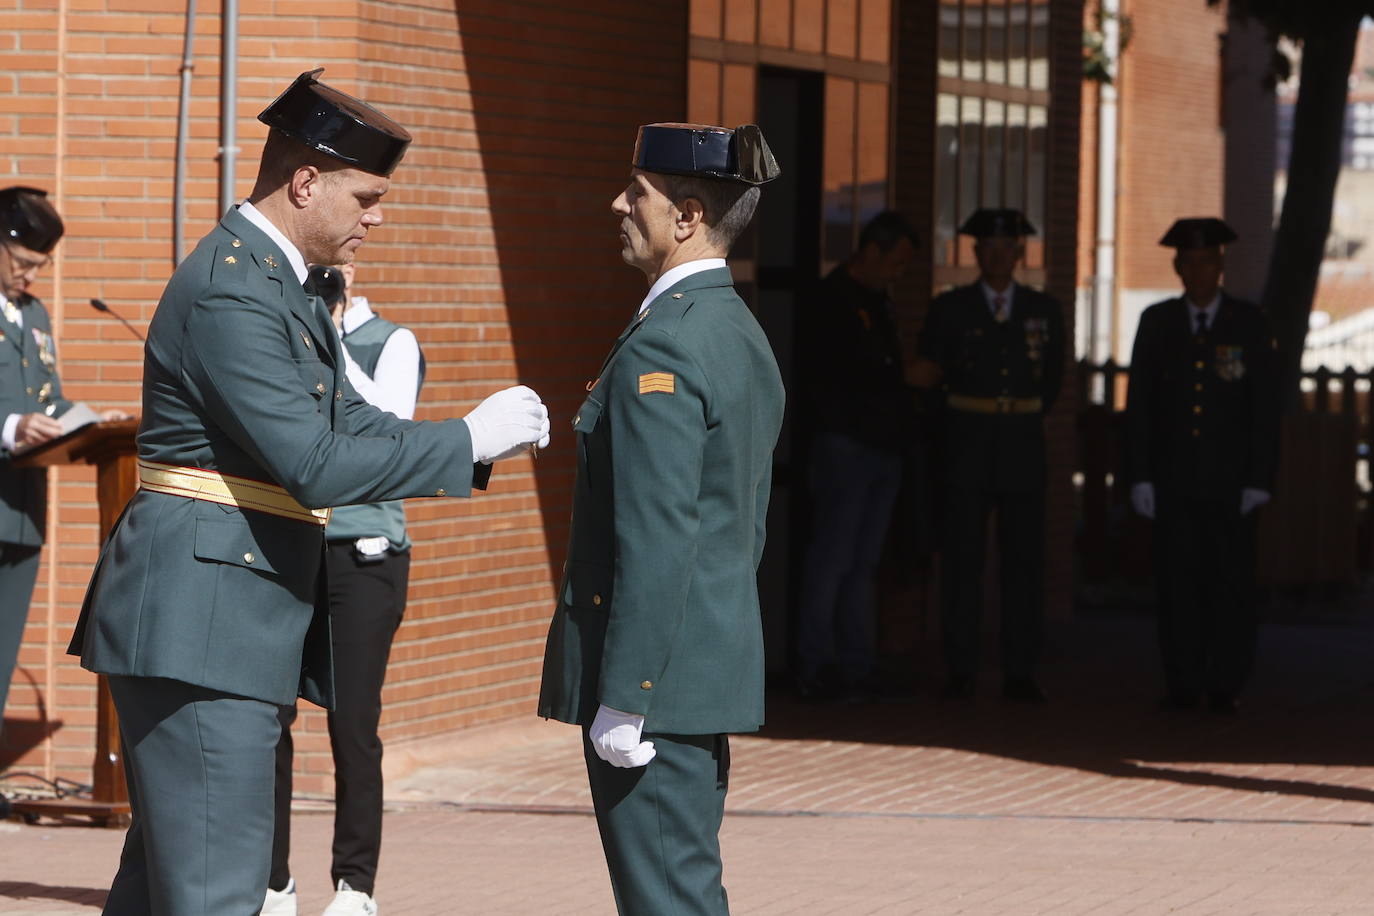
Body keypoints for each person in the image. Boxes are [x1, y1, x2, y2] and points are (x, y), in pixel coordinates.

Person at [67, 69, 550, 915]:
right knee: (217, 893)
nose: (376, 216)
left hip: (216, 618)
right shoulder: (234, 289)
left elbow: (357, 421)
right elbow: (317, 462)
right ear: (304, 182)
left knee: (163, 890)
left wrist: (462, 443)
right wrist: (468, 440)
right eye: (364, 196)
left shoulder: (273, 284)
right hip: (204, 623)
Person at [538, 122, 784, 915]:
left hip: (660, 687)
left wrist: (628, 692)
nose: (618, 204)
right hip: (695, 671)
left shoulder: (667, 345)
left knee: (669, 897)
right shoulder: (734, 330)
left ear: (685, 216)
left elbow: (659, 534)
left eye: (636, 193)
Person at [264, 261, 423, 916]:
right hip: (295, 547)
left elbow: (385, 421)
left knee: (353, 723)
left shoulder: (394, 342)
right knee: (270, 716)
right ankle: (274, 881)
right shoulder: (286, 336)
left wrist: (329, 336)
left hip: (365, 554)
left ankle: (355, 886)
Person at [1125, 217, 1279, 715]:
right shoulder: (1158, 322)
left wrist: (1259, 478)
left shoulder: (1248, 323)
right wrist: (1140, 475)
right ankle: (1183, 682)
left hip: (1231, 482)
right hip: (1174, 481)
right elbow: (1142, 405)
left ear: (1220, 266)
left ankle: (1225, 683)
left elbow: (1264, 407)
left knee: (1231, 584)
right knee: (1177, 584)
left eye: (1207, 262)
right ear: (1177, 268)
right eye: (1188, 263)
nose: (1198, 271)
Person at [913, 208, 1064, 702]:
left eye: (1008, 247)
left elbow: (1055, 382)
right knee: (963, 563)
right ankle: (962, 668)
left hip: (1021, 446)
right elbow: (931, 379)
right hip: (967, 446)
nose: (999, 255)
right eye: (989, 247)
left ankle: (1021, 670)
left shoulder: (1044, 309)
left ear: (1020, 254)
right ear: (976, 254)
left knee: (1024, 564)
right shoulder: (951, 308)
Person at [0, 187, 127, 736]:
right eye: (24, 263)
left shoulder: (34, 315)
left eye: (39, 266)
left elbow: (47, 398)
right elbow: (20, 416)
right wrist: (9, 427)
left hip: (21, 509)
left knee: (3, 647)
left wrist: (93, 420)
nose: (30, 277)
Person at [792, 210, 917, 701]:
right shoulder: (833, 300)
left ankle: (856, 664)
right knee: (833, 559)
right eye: (897, 262)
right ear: (871, 252)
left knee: (863, 563)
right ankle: (814, 663)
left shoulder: (879, 302)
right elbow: (833, 379)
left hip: (883, 447)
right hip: (845, 446)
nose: (899, 273)